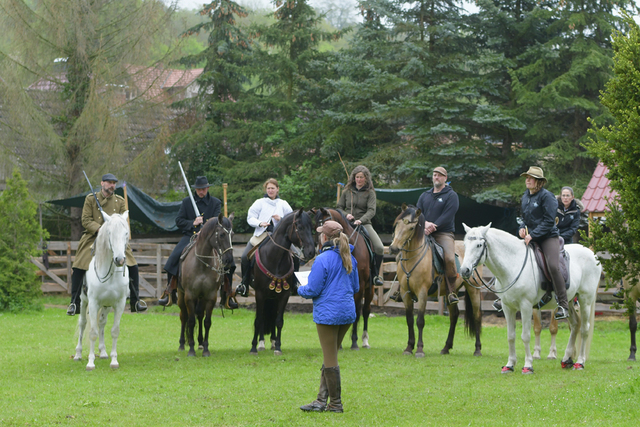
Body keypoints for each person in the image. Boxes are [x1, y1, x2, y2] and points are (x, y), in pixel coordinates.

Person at [298, 220, 359, 413]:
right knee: (329, 355)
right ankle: (320, 400)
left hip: (328, 315)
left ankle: (335, 404)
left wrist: (299, 287)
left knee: (330, 359)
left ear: (324, 237)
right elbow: (356, 287)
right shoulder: (350, 257)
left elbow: (313, 289)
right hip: (347, 313)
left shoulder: (322, 259)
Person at [67, 173, 147, 315]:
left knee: (133, 265)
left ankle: (135, 301)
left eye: (114, 183)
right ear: (102, 183)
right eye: (109, 182)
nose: (112, 185)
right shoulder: (91, 199)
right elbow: (85, 220)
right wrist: (100, 229)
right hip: (94, 236)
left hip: (116, 238)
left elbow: (123, 221)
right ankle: (75, 302)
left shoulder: (120, 201)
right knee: (80, 264)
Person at [158, 176, 238, 309]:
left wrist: (205, 229)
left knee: (230, 262)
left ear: (207, 188)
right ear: (196, 189)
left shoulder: (215, 202)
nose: (201, 191)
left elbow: (218, 222)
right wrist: (192, 223)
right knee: (173, 259)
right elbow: (179, 221)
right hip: (190, 236)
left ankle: (227, 294)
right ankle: (169, 292)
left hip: (210, 239)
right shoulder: (186, 202)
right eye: (199, 189)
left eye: (204, 189)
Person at [519, 166, 569, 320]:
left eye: (530, 178)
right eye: (526, 177)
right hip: (530, 237)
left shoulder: (547, 197)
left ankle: (563, 304)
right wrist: (521, 228)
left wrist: (533, 235)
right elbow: (522, 218)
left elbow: (549, 221)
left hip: (548, 237)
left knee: (553, 266)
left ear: (539, 182)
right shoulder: (525, 197)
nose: (527, 180)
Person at [235, 178, 293, 297]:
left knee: (296, 256)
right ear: (266, 190)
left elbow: (291, 220)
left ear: (277, 189)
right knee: (245, 257)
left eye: (273, 188)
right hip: (262, 234)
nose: (270, 190)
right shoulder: (259, 202)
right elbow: (250, 217)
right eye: (268, 188)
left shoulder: (283, 204)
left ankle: (295, 284)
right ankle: (244, 284)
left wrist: (280, 220)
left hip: (280, 237)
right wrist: (260, 223)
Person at [413, 166, 460, 306]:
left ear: (445, 178)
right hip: (424, 231)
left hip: (443, 233)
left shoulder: (451, 196)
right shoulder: (425, 195)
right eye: (434, 175)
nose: (436, 177)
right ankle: (402, 288)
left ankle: (451, 292)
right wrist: (425, 223)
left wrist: (434, 225)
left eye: (439, 175)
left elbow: (449, 214)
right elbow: (417, 211)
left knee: (450, 258)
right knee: (406, 249)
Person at [336, 165, 385, 287]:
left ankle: (375, 275)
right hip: (347, 223)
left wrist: (361, 220)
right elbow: (339, 207)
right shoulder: (347, 191)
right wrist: (346, 215)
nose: (358, 179)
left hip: (364, 224)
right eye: (357, 177)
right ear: (353, 178)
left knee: (379, 247)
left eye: (361, 177)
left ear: (366, 178)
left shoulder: (370, 193)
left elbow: (371, 211)